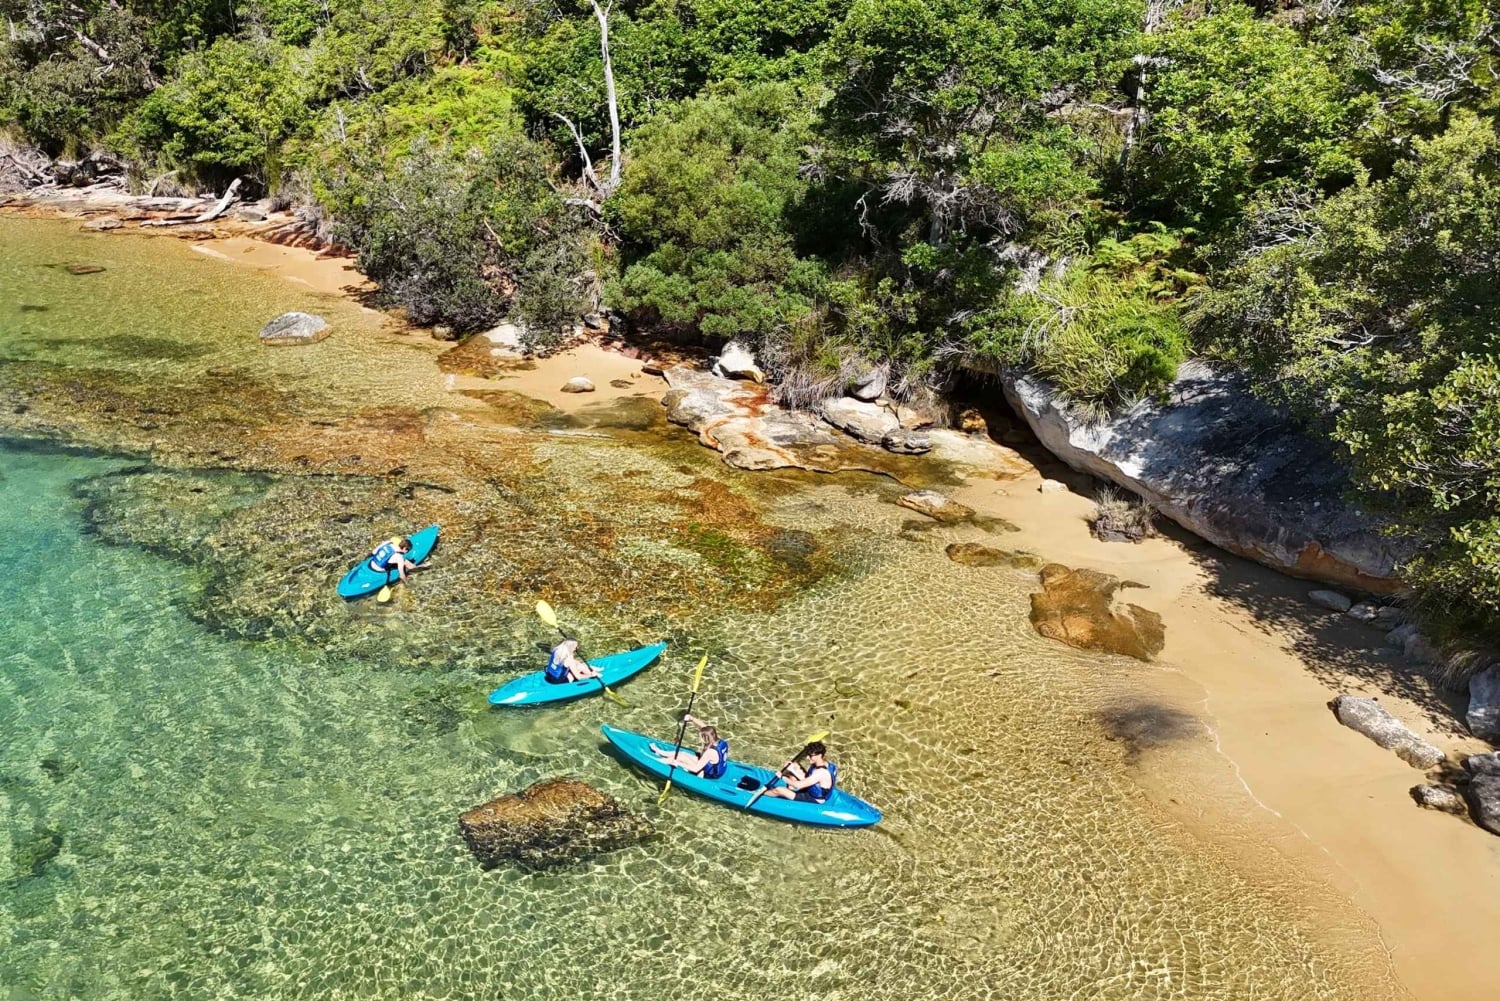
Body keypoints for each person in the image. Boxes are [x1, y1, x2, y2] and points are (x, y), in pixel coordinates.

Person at [650, 714, 729, 779]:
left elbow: (695, 769)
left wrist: (678, 763)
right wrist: (692, 718)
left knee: (678, 758)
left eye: (701, 737)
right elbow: (704, 727)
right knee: (682, 754)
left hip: (708, 774)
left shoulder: (710, 752)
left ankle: (655, 761)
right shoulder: (719, 740)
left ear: (706, 738)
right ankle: (660, 752)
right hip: (714, 768)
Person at [762, 741, 836, 802]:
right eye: (807, 754)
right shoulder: (826, 764)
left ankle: (762, 795)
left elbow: (798, 785)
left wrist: (782, 777)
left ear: (819, 755)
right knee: (794, 765)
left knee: (779, 790)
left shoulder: (821, 773)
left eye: (810, 755)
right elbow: (810, 779)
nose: (807, 758)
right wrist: (792, 769)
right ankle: (790, 790)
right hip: (814, 789)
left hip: (815, 798)